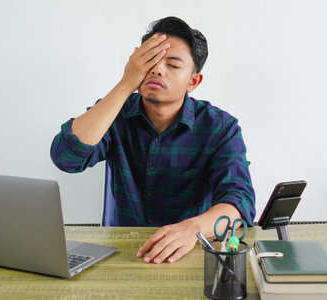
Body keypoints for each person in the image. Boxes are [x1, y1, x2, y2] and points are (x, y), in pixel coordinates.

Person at [51, 16, 255, 264]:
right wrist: (126, 84)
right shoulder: (116, 113)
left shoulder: (220, 128)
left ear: (193, 81)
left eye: (173, 65)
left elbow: (239, 202)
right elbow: (66, 158)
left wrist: (193, 228)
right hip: (122, 252)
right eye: (150, 61)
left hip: (190, 253)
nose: (157, 70)